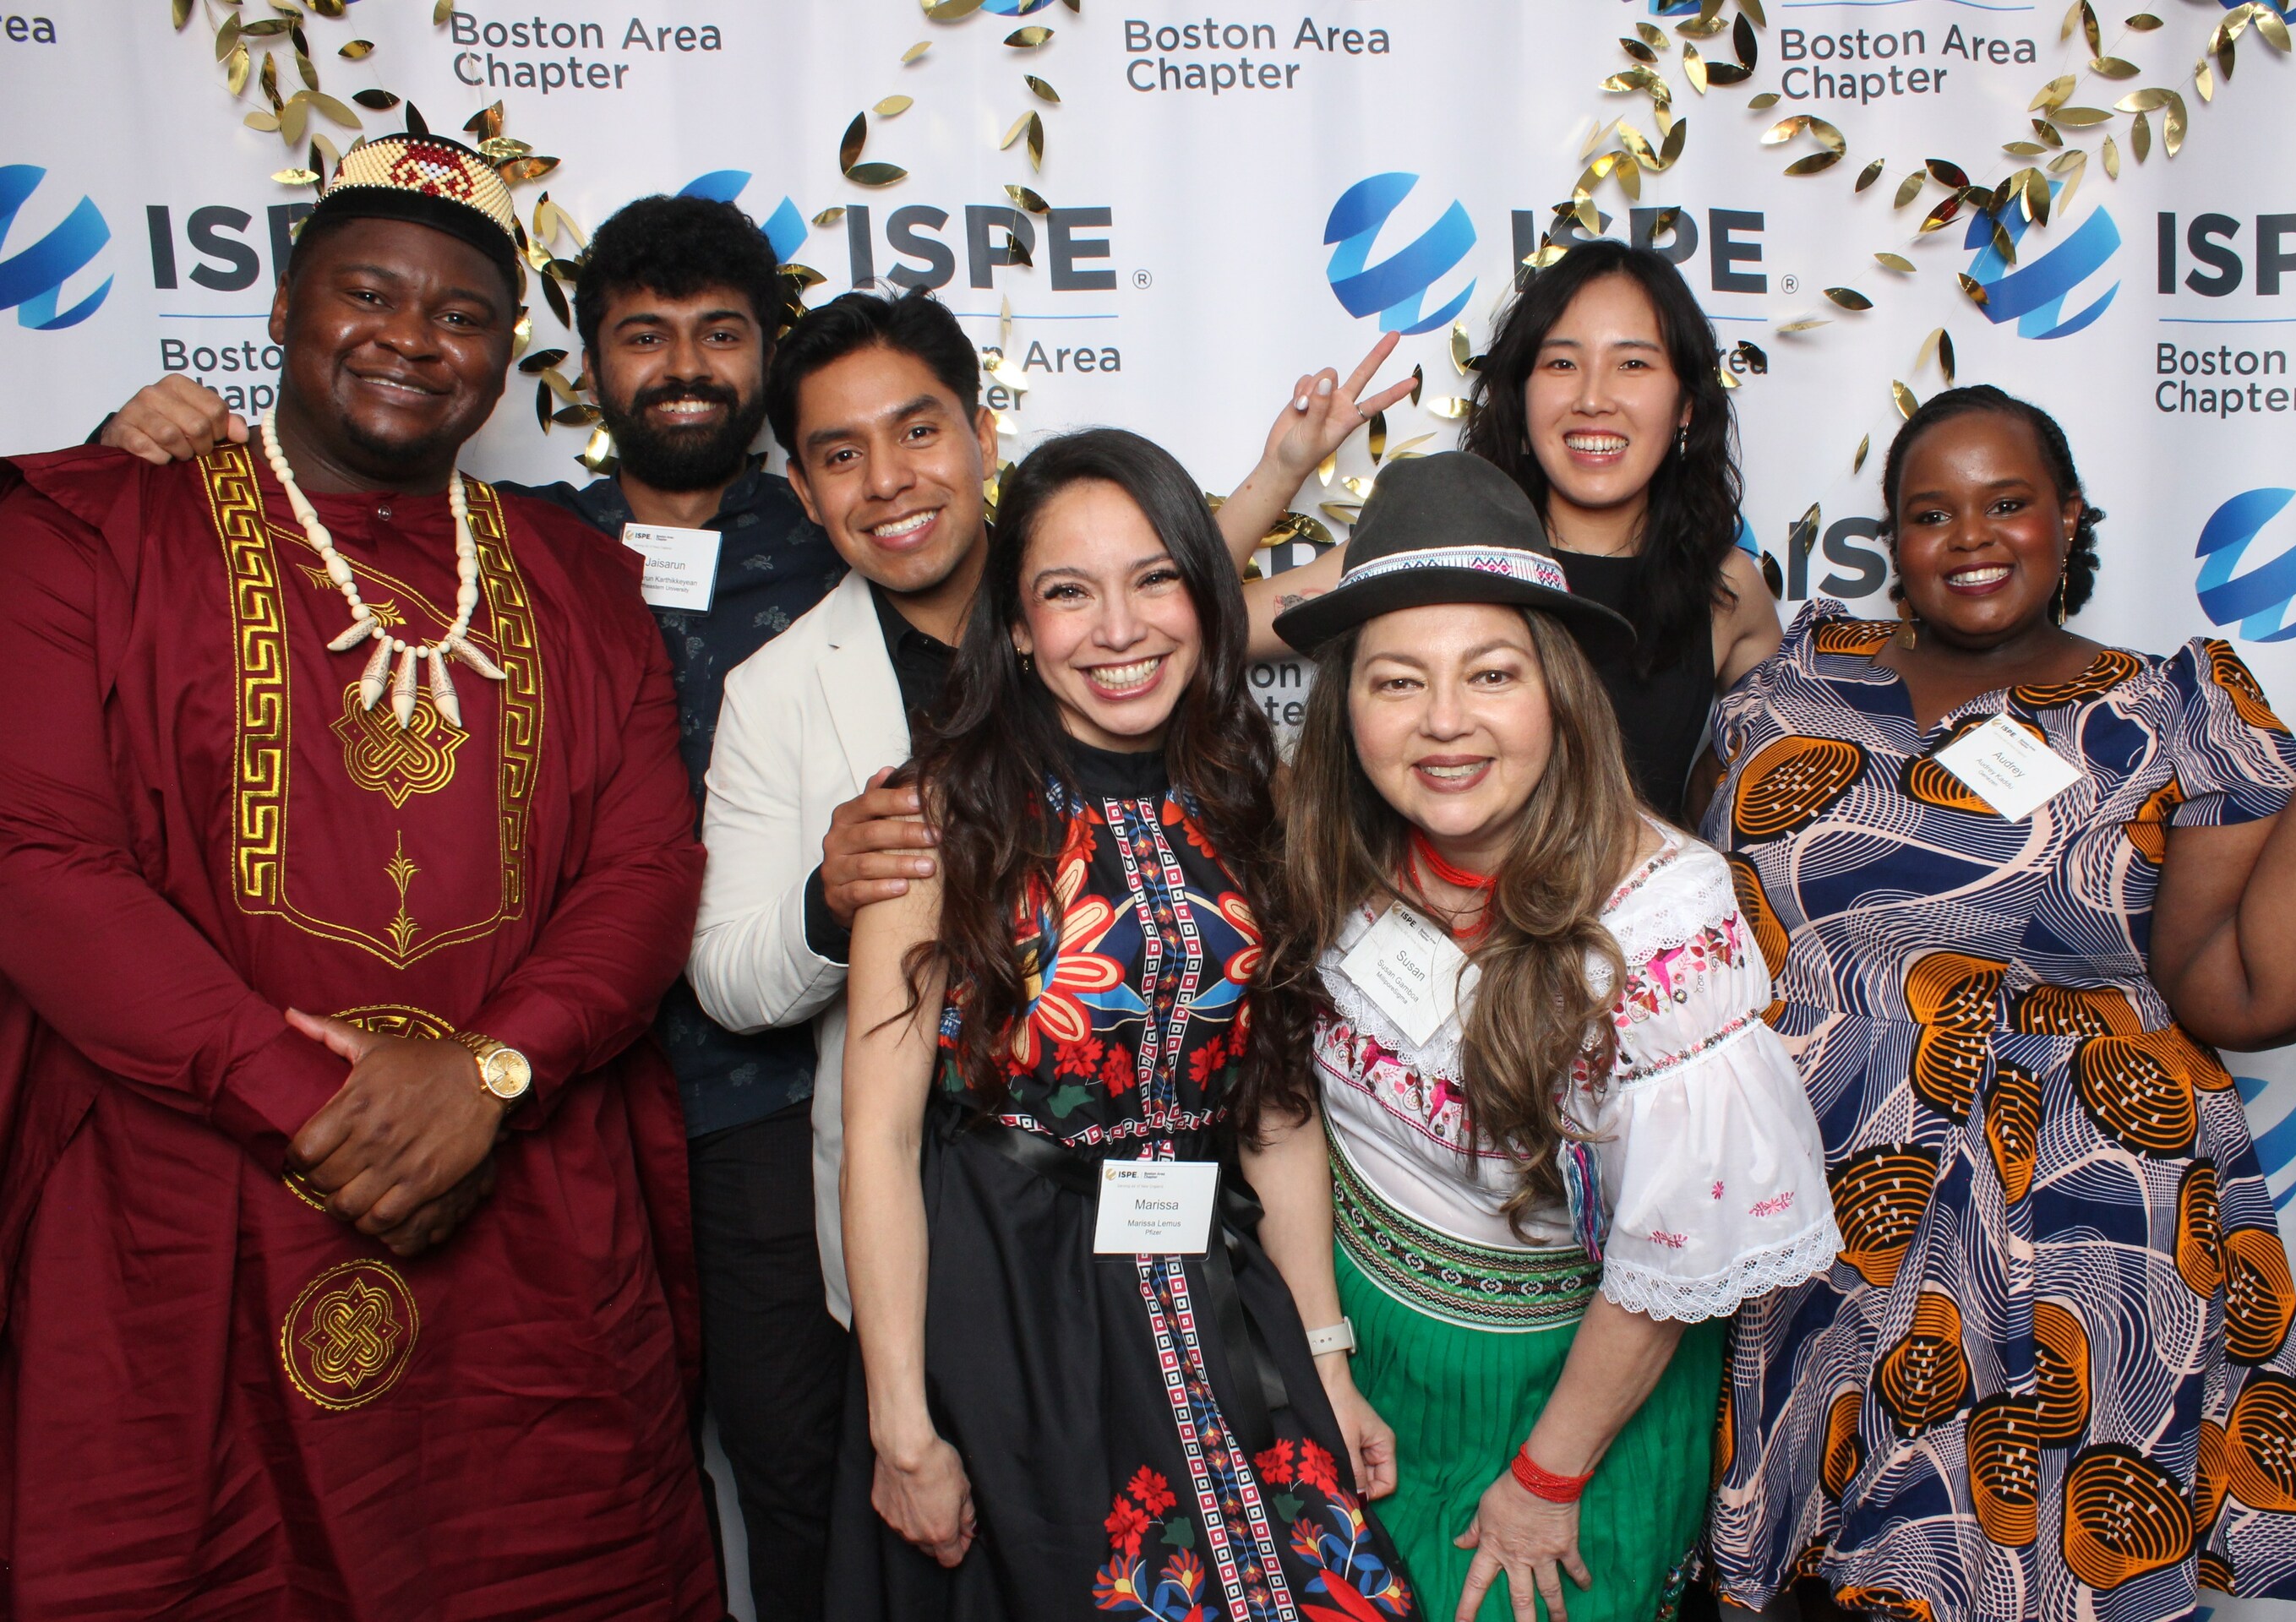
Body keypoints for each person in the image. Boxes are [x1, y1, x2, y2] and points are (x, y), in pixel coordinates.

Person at [97, 192, 853, 1621]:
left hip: (757, 1088)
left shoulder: (834, 531)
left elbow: (1054, 610)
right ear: (581, 361)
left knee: (787, 1459)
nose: (685, 367)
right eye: (644, 335)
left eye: (720, 334)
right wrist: (128, 441)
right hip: (546, 1098)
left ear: (767, 354)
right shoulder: (534, 537)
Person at [1702, 384, 2296, 1620]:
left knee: (2046, 1578)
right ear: (1893, 539)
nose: (1971, 538)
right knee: (1811, 1580)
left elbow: (2252, 993)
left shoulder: (2167, 708)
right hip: (1825, 1196)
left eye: (2008, 503)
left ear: (2070, 517)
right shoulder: (1790, 684)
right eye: (1931, 512)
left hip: (2078, 1215)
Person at [686, 286, 1411, 1328]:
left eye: (919, 432)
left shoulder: (1092, 626)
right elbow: (727, 980)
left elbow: (1175, 605)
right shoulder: (774, 692)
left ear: (982, 437)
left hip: (1189, 1222)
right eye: (842, 455)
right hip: (958, 1243)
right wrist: (828, 901)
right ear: (801, 488)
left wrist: (1283, 475)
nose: (887, 480)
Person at [826, 427, 1416, 1618]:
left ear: (1205, 595)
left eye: (1155, 579)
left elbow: (1275, 1106)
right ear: (1015, 626)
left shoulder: (1252, 797)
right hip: (1009, 1305)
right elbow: (879, 1141)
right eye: (1067, 593)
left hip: (1212, 1279)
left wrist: (1326, 1360)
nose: (1119, 629)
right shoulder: (935, 818)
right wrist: (901, 1422)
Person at [1260, 451, 1837, 1622]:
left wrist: (1545, 1480)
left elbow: (1674, 1250)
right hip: (1361, 1350)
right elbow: (1290, 1109)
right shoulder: (1330, 849)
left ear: (1558, 691)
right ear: (1346, 705)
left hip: (1570, 1396)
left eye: (1491, 674)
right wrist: (1323, 1352)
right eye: (1397, 682)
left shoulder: (1661, 916)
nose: (1445, 723)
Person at [1243, 240, 1784, 822]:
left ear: (1686, 406)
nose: (1593, 398)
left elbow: (1768, 776)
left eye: (1633, 364)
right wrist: (1281, 471)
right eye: (1561, 364)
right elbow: (1193, 630)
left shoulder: (1726, 587)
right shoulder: (1437, 543)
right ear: (1520, 396)